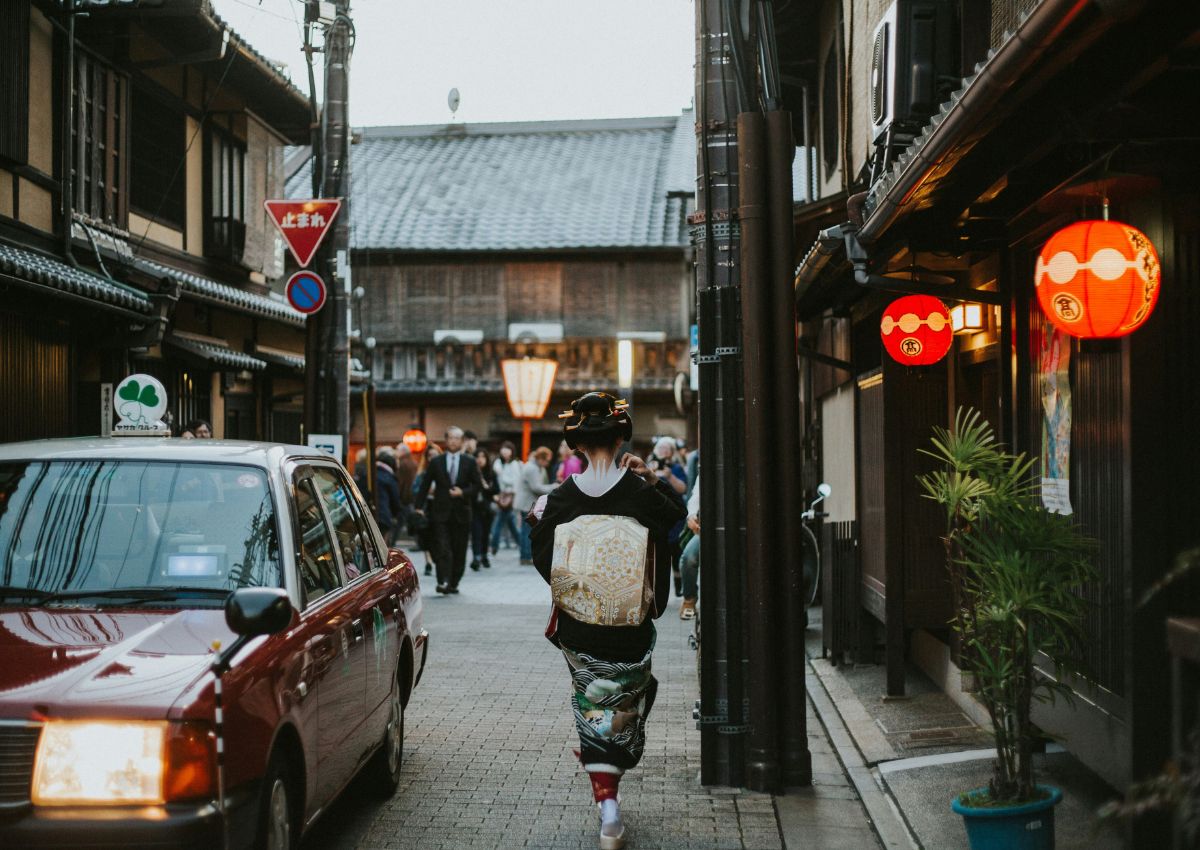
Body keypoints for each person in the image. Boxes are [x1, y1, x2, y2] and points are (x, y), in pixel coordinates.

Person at [529, 392, 686, 850]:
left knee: (592, 703)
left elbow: (544, 558)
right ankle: (610, 805)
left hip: (581, 626)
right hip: (628, 624)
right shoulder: (639, 491)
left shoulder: (560, 499)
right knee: (623, 703)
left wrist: (581, 587)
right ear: (621, 439)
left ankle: (609, 807)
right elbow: (675, 520)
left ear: (576, 444)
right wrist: (651, 478)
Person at [415, 426, 481, 594]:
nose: (453, 441)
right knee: (442, 546)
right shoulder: (437, 462)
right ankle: (443, 580)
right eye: (450, 438)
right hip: (440, 512)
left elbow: (477, 486)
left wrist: (462, 492)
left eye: (456, 438)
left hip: (462, 512)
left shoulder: (469, 461)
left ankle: (454, 582)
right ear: (445, 440)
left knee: (459, 549)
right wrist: (418, 507)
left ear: (462, 441)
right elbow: (425, 485)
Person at [646, 437, 687, 595]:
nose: (663, 450)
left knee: (676, 553)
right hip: (656, 515)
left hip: (674, 516)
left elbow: (683, 489)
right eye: (660, 448)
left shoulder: (676, 468)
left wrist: (670, 476)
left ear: (672, 452)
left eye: (666, 448)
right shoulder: (649, 467)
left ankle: (678, 586)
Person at [514, 446, 556, 565]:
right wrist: (554, 487)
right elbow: (536, 487)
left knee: (525, 529)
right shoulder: (532, 468)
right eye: (547, 461)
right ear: (541, 458)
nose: (547, 464)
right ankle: (526, 556)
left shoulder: (533, 466)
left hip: (526, 502)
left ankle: (525, 555)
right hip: (527, 503)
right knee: (527, 530)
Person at [411, 444, 441, 576]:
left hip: (439, 507)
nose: (432, 458)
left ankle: (437, 559)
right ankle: (428, 561)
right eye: (430, 456)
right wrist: (426, 491)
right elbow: (415, 489)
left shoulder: (444, 472)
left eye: (435, 455)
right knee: (426, 534)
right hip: (426, 507)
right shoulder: (423, 473)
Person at [490, 441, 522, 553]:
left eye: (507, 450)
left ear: (512, 451)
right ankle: (522, 545)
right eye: (503, 450)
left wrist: (502, 476)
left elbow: (516, 482)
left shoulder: (515, 464)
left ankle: (494, 545)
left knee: (499, 521)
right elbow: (496, 477)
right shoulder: (499, 463)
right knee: (511, 523)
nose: (504, 452)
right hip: (502, 495)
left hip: (510, 496)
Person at [470, 448, 497, 571]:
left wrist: (486, 487)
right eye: (477, 457)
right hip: (474, 507)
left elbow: (496, 489)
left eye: (482, 457)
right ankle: (476, 557)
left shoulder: (491, 473)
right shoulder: (470, 472)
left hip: (486, 508)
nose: (480, 459)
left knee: (485, 533)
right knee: (476, 533)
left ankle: (484, 556)